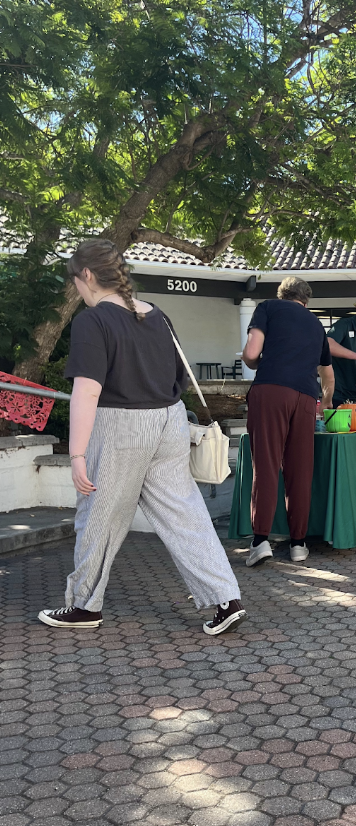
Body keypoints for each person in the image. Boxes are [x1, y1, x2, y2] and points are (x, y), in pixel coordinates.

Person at [38, 239, 246, 635]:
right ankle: (225, 599)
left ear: (86, 275)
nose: (77, 290)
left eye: (75, 281)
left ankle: (84, 607)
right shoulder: (158, 315)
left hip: (121, 426)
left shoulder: (93, 321)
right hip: (169, 421)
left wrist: (77, 454)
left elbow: (87, 390)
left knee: (99, 517)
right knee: (185, 513)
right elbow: (179, 378)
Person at [241, 276, 335, 566]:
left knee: (267, 465)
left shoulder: (267, 307)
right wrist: (326, 404)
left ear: (282, 295)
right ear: (305, 301)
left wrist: (261, 361)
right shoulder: (317, 325)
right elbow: (328, 376)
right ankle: (298, 544)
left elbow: (251, 353)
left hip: (270, 390)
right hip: (306, 398)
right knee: (300, 470)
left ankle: (261, 541)